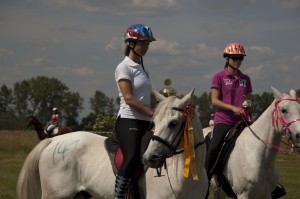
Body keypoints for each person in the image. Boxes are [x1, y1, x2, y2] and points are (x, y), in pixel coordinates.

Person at [113, 24, 156, 199]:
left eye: (148, 44)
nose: (146, 47)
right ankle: (118, 195)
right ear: (131, 44)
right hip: (128, 120)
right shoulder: (123, 67)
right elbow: (129, 99)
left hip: (146, 121)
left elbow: (148, 97)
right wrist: (153, 114)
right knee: (131, 157)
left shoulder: (144, 69)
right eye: (143, 44)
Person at [205, 42, 252, 180]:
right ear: (227, 58)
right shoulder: (218, 77)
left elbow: (247, 101)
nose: (238, 61)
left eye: (240, 58)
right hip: (224, 120)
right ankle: (204, 179)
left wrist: (248, 107)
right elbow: (214, 100)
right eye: (234, 58)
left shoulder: (246, 79)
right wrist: (232, 108)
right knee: (214, 148)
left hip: (242, 121)